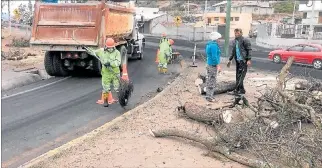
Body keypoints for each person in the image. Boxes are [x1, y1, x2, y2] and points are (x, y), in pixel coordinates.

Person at [85, 38, 121, 107]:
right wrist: (87, 49)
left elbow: (118, 62)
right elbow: (93, 52)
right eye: (109, 47)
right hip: (106, 74)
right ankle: (105, 101)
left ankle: (121, 99)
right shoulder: (101, 51)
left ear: (114, 46)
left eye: (111, 47)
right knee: (105, 88)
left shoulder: (117, 53)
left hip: (115, 73)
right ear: (106, 46)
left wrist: (110, 63)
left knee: (117, 88)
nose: (110, 49)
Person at [227, 28, 252, 96]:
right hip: (238, 61)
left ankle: (236, 90)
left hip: (243, 61)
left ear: (241, 33)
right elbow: (233, 51)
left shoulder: (245, 40)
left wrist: (248, 59)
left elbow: (249, 50)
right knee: (238, 76)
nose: (236, 34)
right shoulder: (235, 41)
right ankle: (242, 90)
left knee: (240, 76)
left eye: (238, 33)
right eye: (235, 33)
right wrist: (230, 59)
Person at [205, 32, 222, 102]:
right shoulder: (214, 46)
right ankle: (209, 97)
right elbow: (214, 56)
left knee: (209, 79)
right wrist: (218, 65)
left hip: (209, 64)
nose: (220, 40)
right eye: (219, 39)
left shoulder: (209, 44)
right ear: (216, 39)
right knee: (212, 80)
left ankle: (208, 95)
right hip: (212, 65)